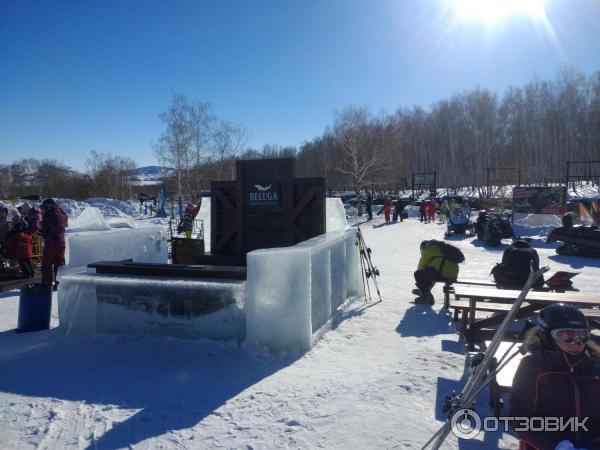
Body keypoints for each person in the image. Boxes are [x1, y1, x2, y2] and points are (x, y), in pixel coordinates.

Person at [509, 304, 600, 450]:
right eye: (566, 336)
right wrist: (556, 445)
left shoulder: (594, 366)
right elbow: (518, 417)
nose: (576, 343)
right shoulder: (533, 367)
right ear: (547, 336)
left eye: (582, 336)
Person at [412, 240, 462, 305]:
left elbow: (421, 266)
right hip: (453, 275)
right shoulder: (441, 247)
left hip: (444, 274)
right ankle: (425, 292)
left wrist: (421, 283)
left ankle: (426, 295)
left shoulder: (429, 249)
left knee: (418, 274)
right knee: (431, 272)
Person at [40, 198, 68, 291]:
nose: (43, 210)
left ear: (48, 207)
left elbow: (45, 229)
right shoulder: (60, 211)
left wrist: (44, 233)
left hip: (51, 243)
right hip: (61, 242)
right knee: (59, 265)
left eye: (44, 207)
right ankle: (59, 284)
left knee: (46, 265)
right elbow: (66, 221)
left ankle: (46, 285)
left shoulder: (49, 215)